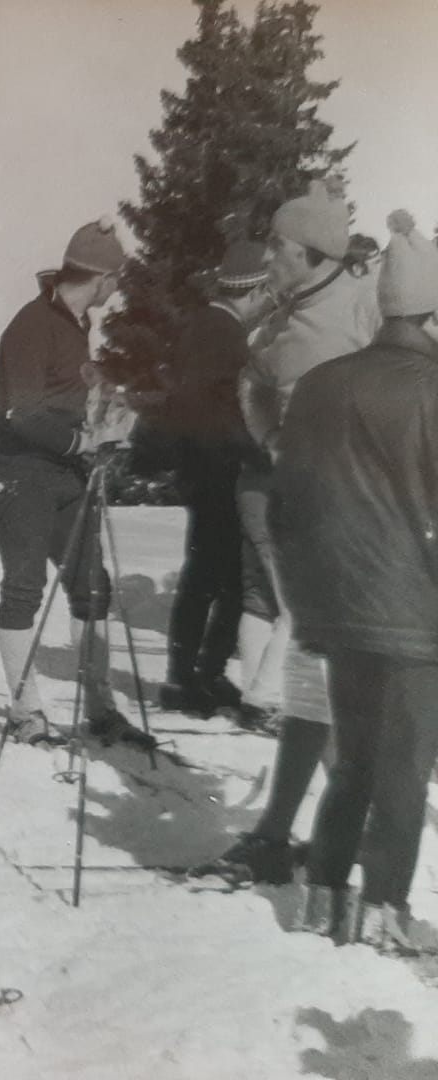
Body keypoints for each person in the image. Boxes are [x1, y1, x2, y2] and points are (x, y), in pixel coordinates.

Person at [198, 182, 380, 884]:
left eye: (276, 246)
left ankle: (343, 833)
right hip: (307, 511)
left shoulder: (354, 309)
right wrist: (272, 433)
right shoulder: (288, 308)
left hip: (350, 519)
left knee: (328, 679)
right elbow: (253, 379)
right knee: (313, 678)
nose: (266, 254)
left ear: (306, 254)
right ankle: (292, 830)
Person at [276, 211, 438, 955]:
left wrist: (312, 598)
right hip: (415, 614)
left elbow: (288, 506)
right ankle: (385, 911)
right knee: (405, 769)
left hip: (339, 608)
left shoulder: (319, 384)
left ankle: (322, 898)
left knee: (356, 759)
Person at [0, 217, 153, 749]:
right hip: (24, 476)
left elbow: (66, 397)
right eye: (116, 279)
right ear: (101, 277)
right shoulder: (31, 325)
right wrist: (78, 442)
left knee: (92, 585)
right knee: (23, 589)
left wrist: (106, 423)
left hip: (69, 476)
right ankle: (25, 710)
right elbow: (20, 413)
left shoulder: (77, 326)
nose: (117, 289)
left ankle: (100, 707)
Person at [154, 241, 271, 716]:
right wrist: (259, 451)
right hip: (217, 471)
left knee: (217, 576)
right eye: (267, 292)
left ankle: (203, 673)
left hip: (206, 469)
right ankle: (186, 680)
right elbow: (218, 416)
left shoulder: (206, 326)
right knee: (211, 577)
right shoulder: (222, 334)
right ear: (254, 289)